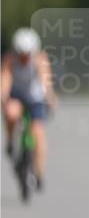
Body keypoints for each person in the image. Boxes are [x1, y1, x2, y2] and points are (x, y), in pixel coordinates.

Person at [1, 27, 57, 189]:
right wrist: (3, 96)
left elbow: (45, 80)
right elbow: (5, 80)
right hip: (16, 95)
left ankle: (39, 173)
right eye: (21, 54)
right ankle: (11, 140)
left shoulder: (39, 59)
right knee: (11, 113)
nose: (24, 58)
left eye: (27, 54)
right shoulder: (10, 59)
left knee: (38, 132)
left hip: (35, 98)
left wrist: (50, 97)